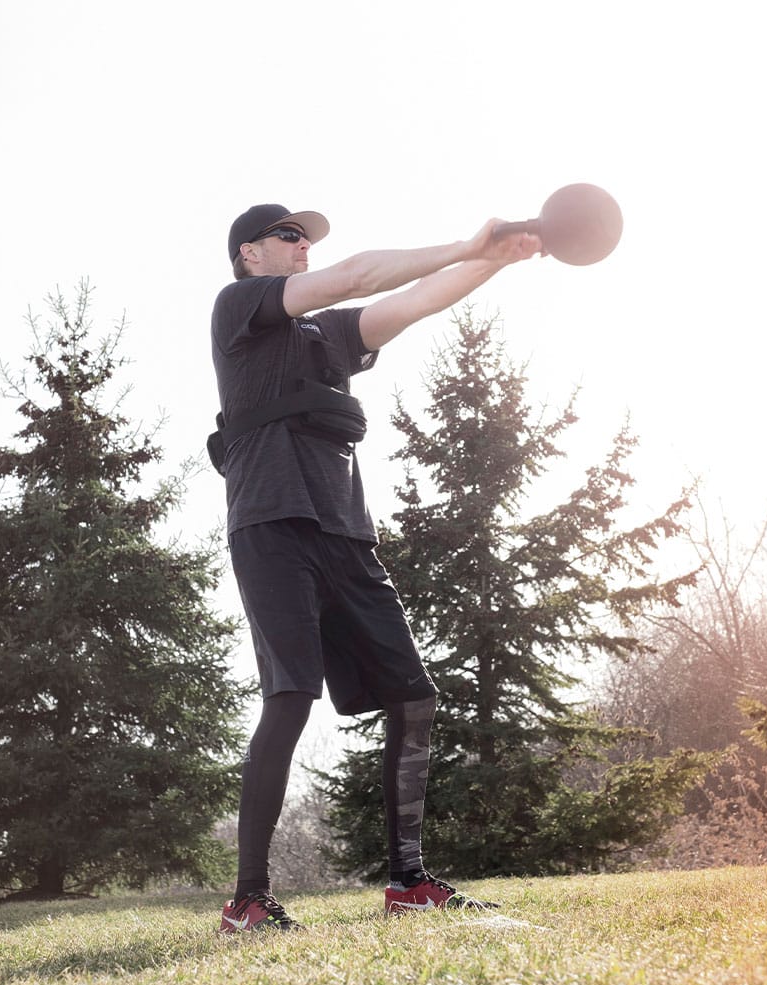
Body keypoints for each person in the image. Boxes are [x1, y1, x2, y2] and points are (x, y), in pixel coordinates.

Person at [211, 203, 542, 932]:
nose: (302, 248)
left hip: (345, 533)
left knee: (413, 696)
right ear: (249, 257)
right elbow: (356, 273)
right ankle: (248, 901)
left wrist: (500, 257)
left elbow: (411, 301)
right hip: (271, 524)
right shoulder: (238, 310)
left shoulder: (326, 335)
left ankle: (407, 883)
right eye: (288, 237)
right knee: (291, 695)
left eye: (306, 240)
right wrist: (465, 240)